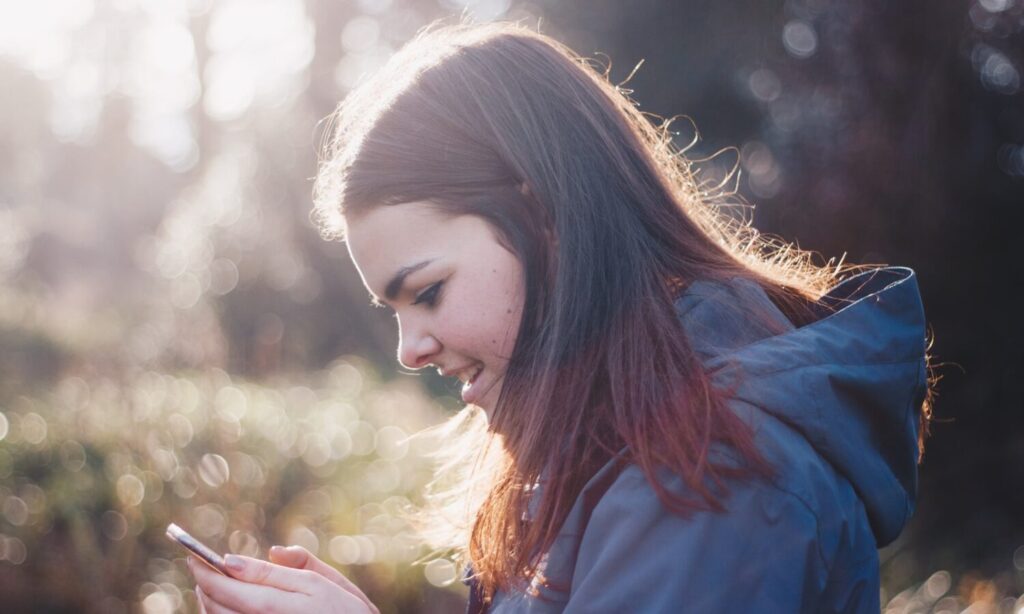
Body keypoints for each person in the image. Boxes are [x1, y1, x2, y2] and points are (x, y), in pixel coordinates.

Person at [188, 20, 934, 613]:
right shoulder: (630, 441)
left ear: (542, 217)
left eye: (428, 291)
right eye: (393, 308)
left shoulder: (715, 473)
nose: (410, 349)